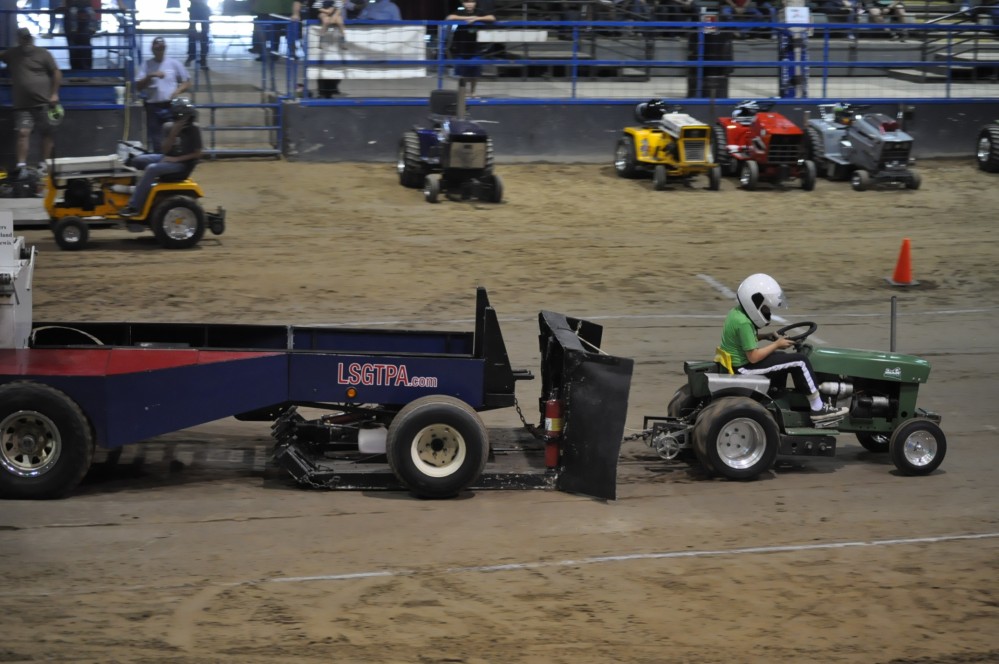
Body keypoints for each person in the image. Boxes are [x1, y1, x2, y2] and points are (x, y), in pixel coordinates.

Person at [718, 274, 849, 427]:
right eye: (765, 307)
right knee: (800, 361)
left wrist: (767, 336)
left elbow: (743, 339)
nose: (767, 311)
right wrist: (776, 344)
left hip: (736, 364)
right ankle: (818, 408)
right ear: (755, 302)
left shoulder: (736, 313)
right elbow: (753, 357)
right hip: (744, 368)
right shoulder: (744, 323)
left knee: (781, 356)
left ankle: (776, 396)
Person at [118, 97, 202, 217]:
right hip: (167, 157)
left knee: (152, 169)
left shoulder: (194, 129)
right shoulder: (168, 127)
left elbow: (198, 153)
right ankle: (133, 191)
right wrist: (173, 133)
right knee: (137, 160)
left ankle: (134, 206)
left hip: (182, 165)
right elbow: (165, 150)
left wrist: (176, 159)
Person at [0, 28, 62, 179]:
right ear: (19, 40)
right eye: (23, 38)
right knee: (23, 132)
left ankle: (44, 165)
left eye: (28, 37)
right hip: (22, 105)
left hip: (44, 103)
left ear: (32, 39)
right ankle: (21, 167)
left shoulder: (43, 53)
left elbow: (57, 72)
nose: (26, 40)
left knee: (47, 133)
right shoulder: (12, 54)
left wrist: (54, 93)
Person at [136, 37, 191, 153]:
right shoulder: (146, 65)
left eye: (161, 48)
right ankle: (159, 161)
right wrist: (150, 76)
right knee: (156, 138)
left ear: (165, 48)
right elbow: (138, 86)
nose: (159, 50)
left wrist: (177, 91)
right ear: (152, 49)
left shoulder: (174, 63)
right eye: (157, 48)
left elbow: (187, 82)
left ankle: (171, 160)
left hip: (170, 105)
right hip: (153, 106)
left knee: (173, 135)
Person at [447, 0, 496, 97]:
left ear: (475, 3)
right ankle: (463, 92)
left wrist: (476, 18)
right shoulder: (460, 11)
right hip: (461, 47)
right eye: (466, 2)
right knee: (462, 73)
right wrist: (467, 18)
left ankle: (473, 92)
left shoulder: (478, 11)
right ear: (463, 3)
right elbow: (449, 17)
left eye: (471, 2)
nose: (469, 4)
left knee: (475, 72)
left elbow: (492, 18)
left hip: (475, 48)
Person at [61, 0, 98, 70]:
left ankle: (77, 71)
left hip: (74, 16)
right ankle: (85, 71)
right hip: (82, 18)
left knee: (74, 46)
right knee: (83, 46)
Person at [187, 0, 211, 69]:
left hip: (202, 8)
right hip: (197, 7)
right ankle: (192, 56)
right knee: (193, 32)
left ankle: (202, 58)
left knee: (204, 35)